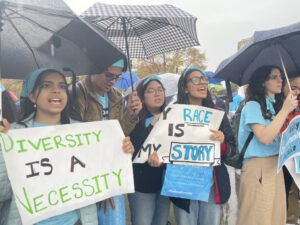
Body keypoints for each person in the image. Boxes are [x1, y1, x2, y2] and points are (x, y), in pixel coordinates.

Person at [0, 68, 134, 225]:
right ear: (31, 95)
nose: (56, 90)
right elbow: (3, 192)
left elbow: (100, 172)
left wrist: (122, 151)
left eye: (62, 86)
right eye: (47, 85)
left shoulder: (82, 132)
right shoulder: (13, 135)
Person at [69, 59, 142, 225]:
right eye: (109, 75)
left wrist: (131, 114)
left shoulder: (116, 96)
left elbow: (119, 133)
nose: (113, 81)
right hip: (85, 174)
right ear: (94, 70)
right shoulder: (76, 93)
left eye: (117, 77)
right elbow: (75, 140)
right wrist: (101, 183)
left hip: (110, 171)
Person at [171, 66, 235, 225]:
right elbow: (165, 149)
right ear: (185, 87)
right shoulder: (173, 114)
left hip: (212, 184)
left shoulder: (217, 114)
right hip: (183, 183)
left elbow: (233, 149)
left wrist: (222, 143)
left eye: (204, 79)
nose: (202, 82)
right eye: (195, 79)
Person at [236, 65, 298, 225]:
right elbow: (264, 137)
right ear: (263, 82)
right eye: (274, 77)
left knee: (276, 217)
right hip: (257, 167)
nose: (280, 80)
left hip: (275, 166)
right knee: (258, 217)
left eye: (280, 77)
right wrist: (285, 111)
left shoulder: (274, 105)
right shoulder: (252, 106)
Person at [128, 75, 170, 225]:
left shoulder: (172, 118)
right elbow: (134, 149)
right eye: (151, 91)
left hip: (165, 185)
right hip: (142, 186)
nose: (157, 94)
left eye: (160, 90)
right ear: (142, 97)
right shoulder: (133, 119)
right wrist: (152, 125)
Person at [282, 76, 300, 224]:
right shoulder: (277, 105)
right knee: (289, 190)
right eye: (293, 87)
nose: (297, 91)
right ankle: (290, 219)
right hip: (286, 158)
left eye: (299, 88)